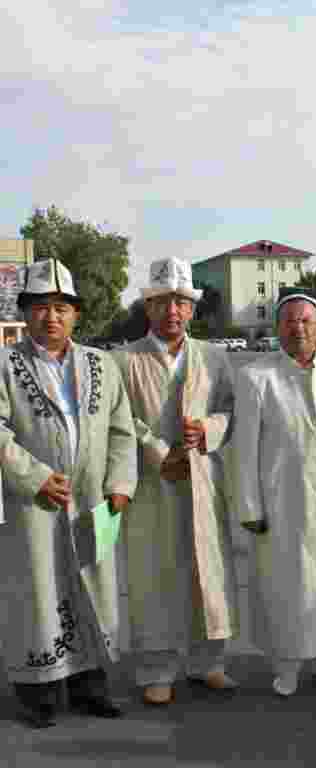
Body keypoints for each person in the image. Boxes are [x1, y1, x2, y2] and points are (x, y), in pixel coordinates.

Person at [0, 259, 137, 728]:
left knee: (94, 590)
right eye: (40, 307)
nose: (51, 317)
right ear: (25, 312)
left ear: (76, 314)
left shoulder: (102, 364)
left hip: (92, 498)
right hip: (32, 502)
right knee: (38, 592)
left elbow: (122, 432)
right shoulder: (5, 363)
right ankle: (39, 693)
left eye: (60, 307)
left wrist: (120, 486)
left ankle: (91, 686)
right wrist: (34, 476)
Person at [114, 258, 240, 706]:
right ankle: (157, 669)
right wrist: (157, 453)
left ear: (192, 309)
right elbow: (120, 419)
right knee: (154, 573)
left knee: (208, 570)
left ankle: (209, 662)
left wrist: (209, 429)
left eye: (182, 302)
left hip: (202, 479)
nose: (173, 310)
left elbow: (230, 410)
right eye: (163, 301)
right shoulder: (123, 360)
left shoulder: (215, 357)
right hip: (153, 484)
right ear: (148, 306)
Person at [233, 288, 316, 697]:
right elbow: (245, 448)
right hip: (283, 502)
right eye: (290, 320)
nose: (298, 328)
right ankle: (286, 667)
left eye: (306, 321)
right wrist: (250, 505)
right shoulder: (257, 377)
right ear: (278, 328)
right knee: (287, 586)